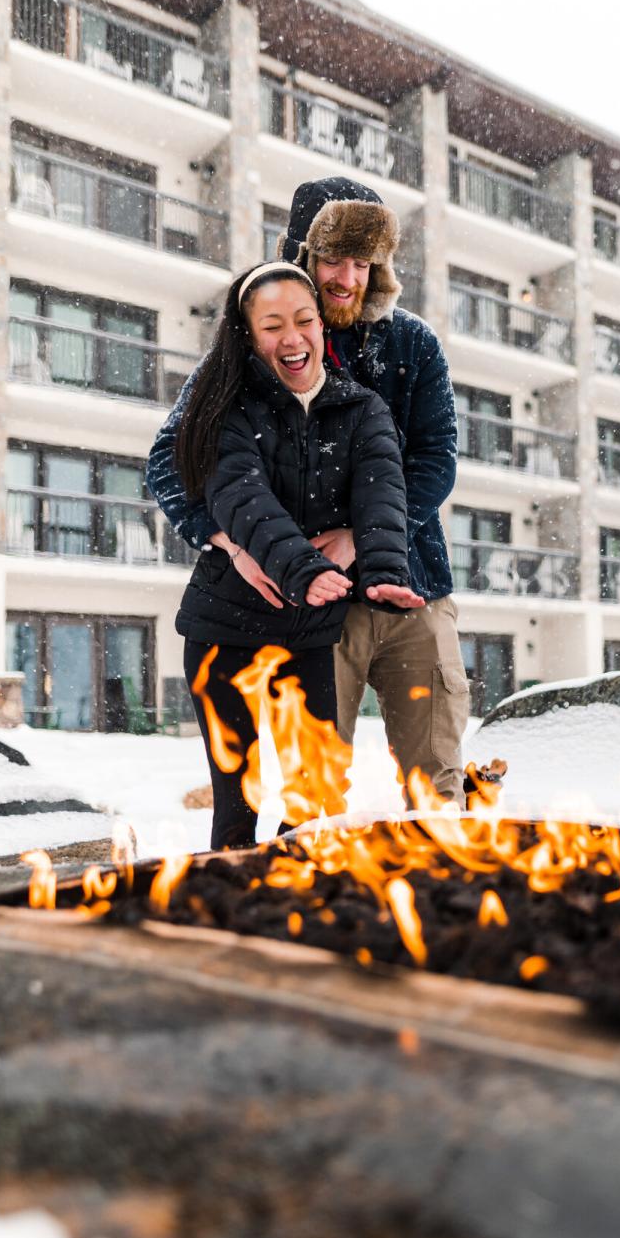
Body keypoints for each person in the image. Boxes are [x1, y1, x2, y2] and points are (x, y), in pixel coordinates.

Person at [148, 176, 471, 804]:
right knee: (313, 792)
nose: (347, 277)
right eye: (331, 258)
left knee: (437, 783)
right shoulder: (257, 341)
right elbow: (172, 459)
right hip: (311, 610)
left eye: (363, 260)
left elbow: (436, 461)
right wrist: (230, 543)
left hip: (415, 587)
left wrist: (364, 534)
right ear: (301, 254)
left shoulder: (413, 343)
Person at [173, 259, 422, 849]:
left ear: (321, 327)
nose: (292, 337)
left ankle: (293, 907)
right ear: (248, 336)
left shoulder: (363, 411)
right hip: (223, 630)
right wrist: (303, 567)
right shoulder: (228, 409)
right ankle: (231, 919)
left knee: (313, 799)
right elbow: (239, 495)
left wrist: (384, 571)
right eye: (272, 325)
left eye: (304, 320)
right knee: (238, 803)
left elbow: (382, 495)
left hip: (308, 632)